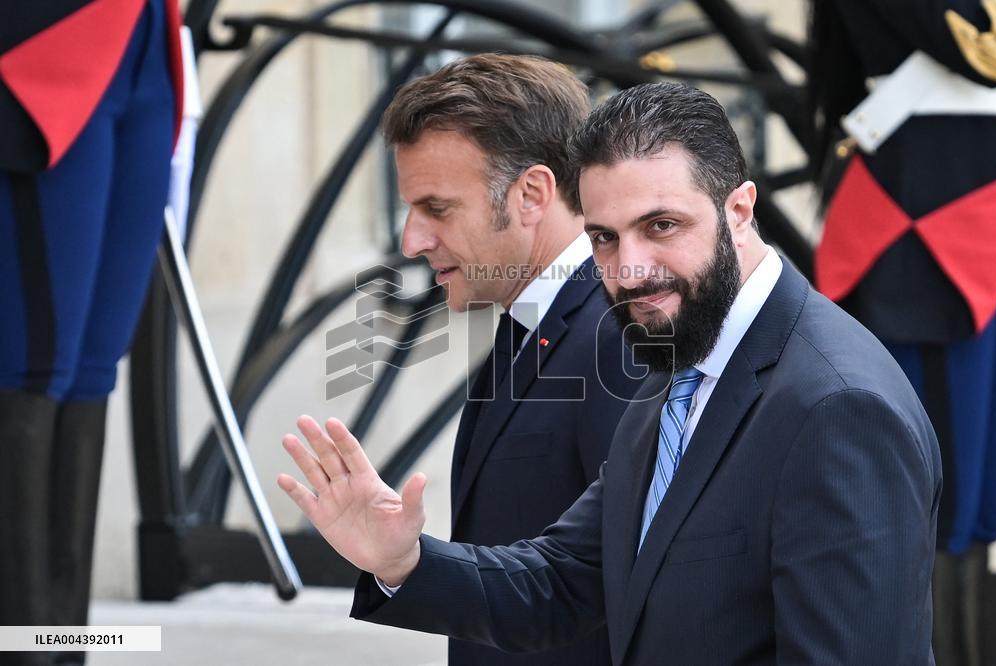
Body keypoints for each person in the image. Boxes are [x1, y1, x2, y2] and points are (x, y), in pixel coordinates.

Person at [278, 82, 941, 665]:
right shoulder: (679, 367)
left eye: (662, 225)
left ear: (739, 211)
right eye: (604, 237)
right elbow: (564, 582)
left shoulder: (838, 407)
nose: (630, 268)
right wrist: (403, 561)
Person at [377, 53, 640, 665]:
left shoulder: (619, 337)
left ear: (531, 194)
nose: (412, 240)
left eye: (437, 208)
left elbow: (628, 588)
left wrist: (408, 563)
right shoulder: (529, 322)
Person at [809, 3, 996, 663]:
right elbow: (978, 48)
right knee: (926, 493)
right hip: (922, 234)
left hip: (980, 217)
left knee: (981, 494)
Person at [0, 2, 182, 665]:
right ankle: (22, 649)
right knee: (34, 363)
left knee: (92, 366)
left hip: (145, 40)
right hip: (36, 47)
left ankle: (61, 648)